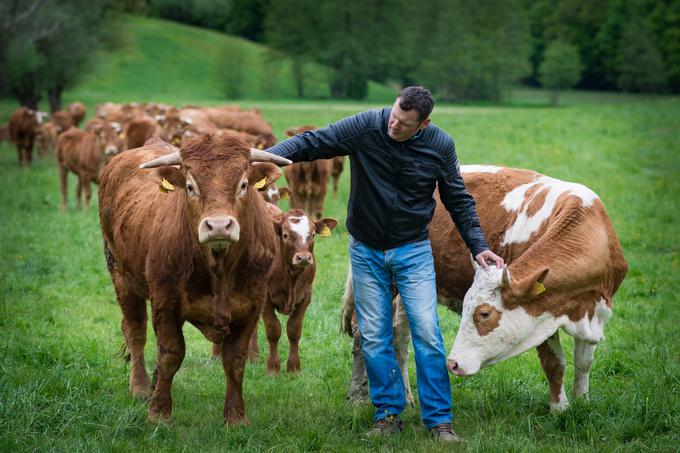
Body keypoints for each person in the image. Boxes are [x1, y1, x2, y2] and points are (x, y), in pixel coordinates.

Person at [261, 86, 503, 443]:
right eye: (392, 116)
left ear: (423, 124)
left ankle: (439, 422)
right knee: (374, 335)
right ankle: (388, 415)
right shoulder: (368, 126)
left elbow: (458, 198)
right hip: (366, 250)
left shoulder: (439, 145)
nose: (393, 125)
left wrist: (478, 246)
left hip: (413, 251)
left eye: (403, 124)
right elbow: (315, 141)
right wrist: (262, 158)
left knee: (427, 334)